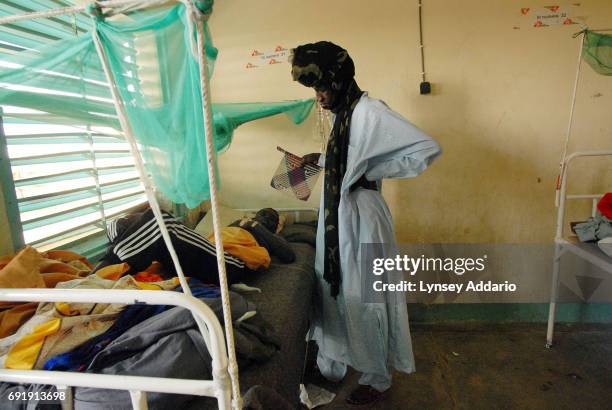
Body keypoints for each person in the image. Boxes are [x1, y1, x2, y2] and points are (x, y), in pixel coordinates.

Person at [290, 41, 441, 405]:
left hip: (363, 216)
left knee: (368, 294)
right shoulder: (344, 115)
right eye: (315, 90)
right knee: (333, 290)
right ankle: (334, 363)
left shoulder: (370, 111)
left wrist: (364, 170)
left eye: (323, 87)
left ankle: (377, 375)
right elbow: (350, 154)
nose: (320, 97)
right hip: (338, 215)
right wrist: (324, 161)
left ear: (340, 79)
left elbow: (425, 149)